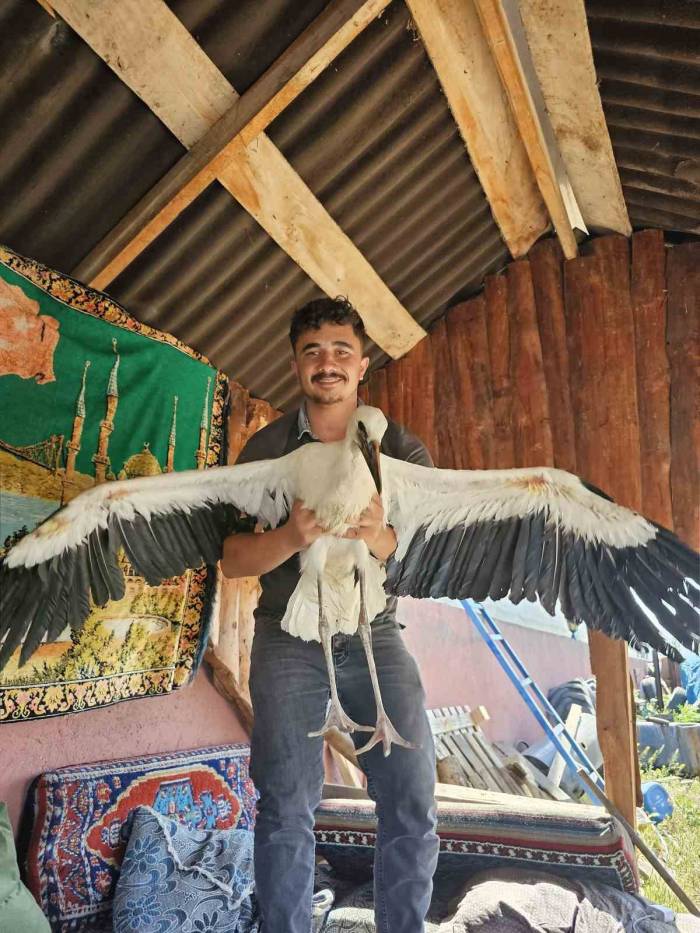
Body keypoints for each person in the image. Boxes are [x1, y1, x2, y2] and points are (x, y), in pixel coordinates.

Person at [221, 297, 439, 932]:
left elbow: (423, 561)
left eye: (342, 351)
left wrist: (379, 537)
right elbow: (234, 559)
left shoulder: (399, 450)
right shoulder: (265, 450)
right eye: (313, 352)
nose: (328, 363)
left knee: (411, 797)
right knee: (286, 806)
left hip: (375, 632)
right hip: (288, 636)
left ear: (362, 365)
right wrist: (290, 537)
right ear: (296, 366)